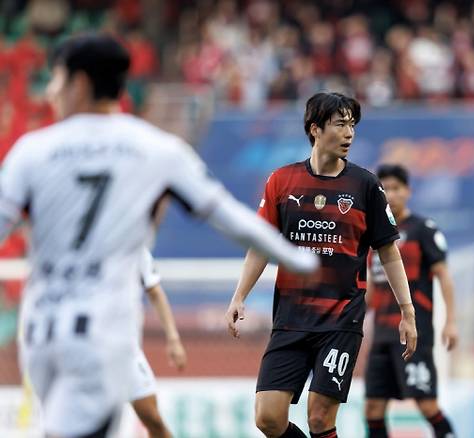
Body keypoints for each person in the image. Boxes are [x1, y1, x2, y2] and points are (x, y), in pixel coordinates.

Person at [0, 33, 317, 438]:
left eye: (57, 79)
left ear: (79, 83)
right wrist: (299, 259)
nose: (50, 91)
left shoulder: (32, 150)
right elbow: (228, 215)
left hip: (40, 330)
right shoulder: (155, 149)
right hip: (99, 331)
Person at [225, 92, 418, 438]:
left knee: (319, 417)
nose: (349, 133)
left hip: (341, 319)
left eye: (352, 125)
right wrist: (239, 295)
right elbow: (261, 246)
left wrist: (408, 310)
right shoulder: (281, 181)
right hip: (290, 320)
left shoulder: (365, 185)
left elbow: (388, 252)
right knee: (268, 418)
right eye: (340, 124)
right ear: (315, 129)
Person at [365, 164, 457, 438]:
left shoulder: (423, 229)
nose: (391, 195)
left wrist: (451, 322)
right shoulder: (373, 234)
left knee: (426, 404)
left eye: (396, 188)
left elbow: (444, 276)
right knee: (373, 408)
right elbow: (371, 287)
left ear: (408, 191)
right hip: (381, 334)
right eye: (385, 189)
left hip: (415, 333)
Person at [130, 248, 185, 438]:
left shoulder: (133, 247)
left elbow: (154, 291)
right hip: (86, 349)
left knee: (153, 419)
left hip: (126, 352)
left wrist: (173, 339)